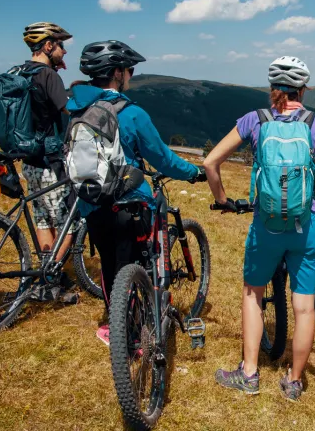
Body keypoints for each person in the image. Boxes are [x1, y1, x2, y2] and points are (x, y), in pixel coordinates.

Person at [206, 56, 315, 402]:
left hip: (265, 228)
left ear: (272, 89)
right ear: (303, 90)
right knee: (304, 307)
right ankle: (294, 381)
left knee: (252, 294)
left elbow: (211, 162)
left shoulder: (254, 120)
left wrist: (223, 200)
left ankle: (249, 374)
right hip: (305, 227)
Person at [66, 40, 204, 346]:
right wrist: (193, 172)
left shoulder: (78, 108)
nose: (131, 74)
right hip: (130, 204)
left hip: (92, 203)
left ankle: (115, 324)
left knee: (110, 265)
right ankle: (138, 331)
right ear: (117, 73)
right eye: (129, 69)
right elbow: (163, 159)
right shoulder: (131, 113)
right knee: (140, 264)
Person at [19, 23, 77, 266]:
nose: (64, 51)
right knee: (69, 224)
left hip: (28, 160)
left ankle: (45, 270)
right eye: (61, 45)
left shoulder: (20, 72)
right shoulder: (48, 75)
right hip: (50, 163)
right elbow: (68, 108)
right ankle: (50, 277)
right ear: (48, 46)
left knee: (43, 219)